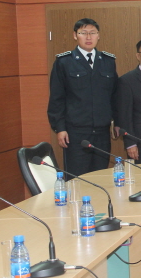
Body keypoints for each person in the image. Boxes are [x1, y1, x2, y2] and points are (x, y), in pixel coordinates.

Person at [47, 18, 117, 177]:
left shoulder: (108, 62)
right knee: (76, 178)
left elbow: (114, 96)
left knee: (100, 178)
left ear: (98, 36)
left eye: (92, 33)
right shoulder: (64, 62)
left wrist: (116, 122)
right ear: (75, 35)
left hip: (102, 132)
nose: (88, 37)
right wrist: (60, 128)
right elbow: (57, 99)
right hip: (75, 133)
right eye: (83, 33)